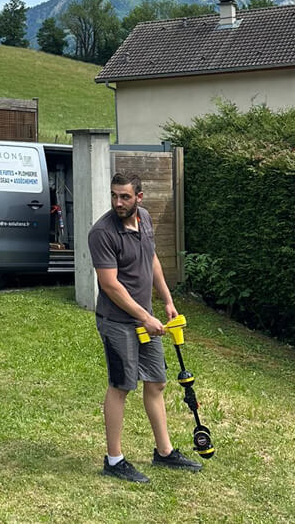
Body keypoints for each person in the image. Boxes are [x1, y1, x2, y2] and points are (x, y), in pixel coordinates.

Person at [89, 172, 203, 483]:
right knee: (122, 385)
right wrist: (145, 317)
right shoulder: (102, 232)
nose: (118, 202)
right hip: (117, 321)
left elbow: (150, 258)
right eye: (114, 195)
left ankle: (164, 452)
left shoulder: (146, 219)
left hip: (146, 318)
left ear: (139, 197)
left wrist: (166, 299)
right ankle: (114, 460)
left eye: (125, 196)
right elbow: (110, 286)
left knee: (157, 382)